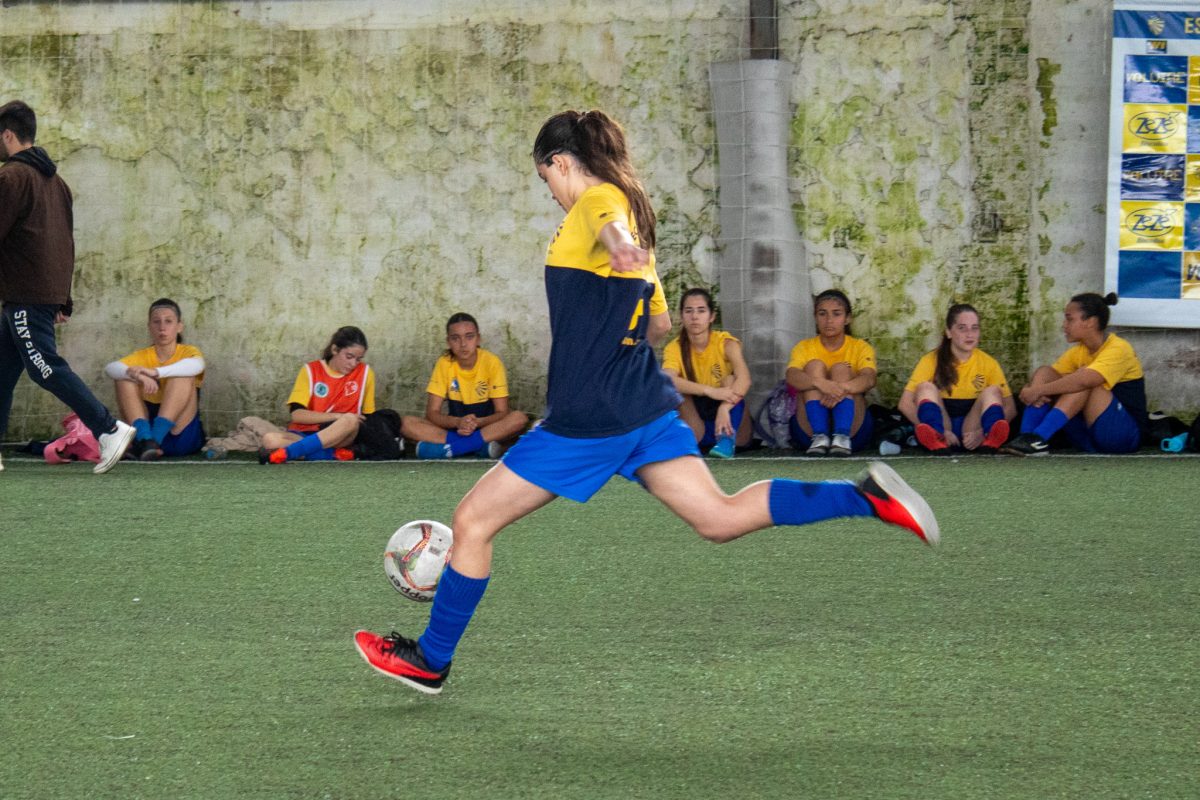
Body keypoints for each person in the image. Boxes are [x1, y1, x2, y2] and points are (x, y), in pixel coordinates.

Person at [353, 109, 939, 695]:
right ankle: (866, 498)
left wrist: (616, 246)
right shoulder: (635, 213)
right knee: (719, 516)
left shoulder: (599, 204)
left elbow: (609, 225)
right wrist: (621, 279)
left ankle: (431, 659)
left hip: (591, 416)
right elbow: (659, 322)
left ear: (560, 163)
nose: (553, 195)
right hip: (645, 404)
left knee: (472, 522)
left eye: (547, 180)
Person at [0, 99, 133, 474]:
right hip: (32, 294)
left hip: (26, 294)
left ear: (8, 135)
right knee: (2, 373)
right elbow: (65, 242)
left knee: (44, 367)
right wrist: (65, 299)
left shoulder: (12, 177)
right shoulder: (57, 183)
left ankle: (108, 429)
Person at [1004, 292, 1146, 456]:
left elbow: (1084, 381)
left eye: (1069, 319)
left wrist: (1038, 391)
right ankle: (1025, 438)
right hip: (1086, 436)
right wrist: (1036, 388)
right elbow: (1049, 377)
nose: (1064, 325)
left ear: (1090, 322)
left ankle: (1039, 437)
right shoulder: (1079, 351)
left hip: (1122, 437)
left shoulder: (1119, 348)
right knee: (1045, 373)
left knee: (1083, 380)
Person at [401, 312, 528, 460]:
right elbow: (432, 414)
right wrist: (458, 422)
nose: (463, 344)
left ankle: (451, 449)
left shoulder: (492, 362)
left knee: (519, 418)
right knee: (406, 423)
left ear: (478, 339)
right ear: (448, 341)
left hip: (488, 427)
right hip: (456, 430)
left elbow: (502, 412)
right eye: (455, 338)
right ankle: (478, 447)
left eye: (469, 336)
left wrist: (478, 422)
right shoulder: (444, 363)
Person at [897, 303, 1016, 454]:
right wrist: (931, 429)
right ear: (949, 332)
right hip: (944, 424)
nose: (970, 334)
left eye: (975, 328)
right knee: (925, 388)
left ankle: (990, 437)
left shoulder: (989, 363)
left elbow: (1011, 408)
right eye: (962, 328)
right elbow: (904, 404)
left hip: (971, 427)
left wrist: (979, 432)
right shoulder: (930, 360)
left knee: (992, 391)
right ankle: (935, 437)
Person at [104, 298, 206, 460]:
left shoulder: (188, 352)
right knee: (124, 377)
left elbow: (197, 366)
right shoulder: (142, 355)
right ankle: (146, 439)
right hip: (144, 434)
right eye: (156, 322)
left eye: (168, 321)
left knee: (182, 375)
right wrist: (137, 375)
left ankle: (154, 440)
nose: (162, 327)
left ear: (179, 326)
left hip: (179, 435)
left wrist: (155, 372)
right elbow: (111, 368)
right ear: (149, 327)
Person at [259, 326, 375, 464]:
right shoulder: (310, 370)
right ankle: (334, 455)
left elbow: (368, 417)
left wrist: (344, 420)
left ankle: (287, 453)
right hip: (304, 434)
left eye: (358, 359)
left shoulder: (366, 373)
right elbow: (297, 415)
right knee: (269, 439)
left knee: (351, 419)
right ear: (334, 350)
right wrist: (337, 416)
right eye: (349, 356)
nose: (353, 363)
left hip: (340, 436)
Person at [660, 287, 752, 459]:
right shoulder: (675, 347)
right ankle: (688, 441)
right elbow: (668, 381)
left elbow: (745, 379)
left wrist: (724, 408)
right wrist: (710, 391)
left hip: (730, 413)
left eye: (701, 311)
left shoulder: (726, 343)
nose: (695, 316)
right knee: (678, 391)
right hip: (697, 417)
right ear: (682, 316)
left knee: (730, 379)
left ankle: (726, 440)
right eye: (689, 311)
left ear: (711, 317)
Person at [784, 290, 876, 457]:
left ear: (847, 318)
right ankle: (820, 435)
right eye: (822, 314)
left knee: (840, 369)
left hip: (853, 434)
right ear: (815, 317)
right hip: (809, 436)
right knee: (813, 368)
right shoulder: (804, 347)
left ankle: (841, 435)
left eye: (836, 314)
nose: (829, 320)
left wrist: (840, 388)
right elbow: (791, 376)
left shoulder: (860, 347)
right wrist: (821, 384)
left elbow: (869, 379)